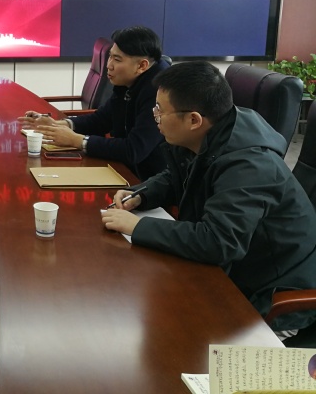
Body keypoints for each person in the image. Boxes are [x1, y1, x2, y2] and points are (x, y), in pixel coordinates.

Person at [101, 61, 316, 333]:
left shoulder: (249, 165)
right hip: (231, 274)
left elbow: (219, 242)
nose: (155, 116)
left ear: (193, 120)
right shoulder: (211, 133)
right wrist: (141, 194)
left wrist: (138, 226)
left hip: (273, 299)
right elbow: (178, 175)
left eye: (160, 111)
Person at [20, 26, 169, 180]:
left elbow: (133, 150)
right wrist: (60, 124)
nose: (109, 65)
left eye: (117, 59)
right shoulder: (128, 81)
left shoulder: (160, 92)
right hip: (123, 169)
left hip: (147, 180)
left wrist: (77, 140)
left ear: (142, 66)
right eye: (110, 56)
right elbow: (101, 120)